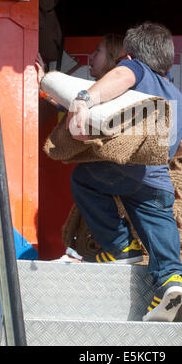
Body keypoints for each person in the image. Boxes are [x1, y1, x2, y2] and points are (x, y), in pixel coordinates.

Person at [67, 22, 182, 322]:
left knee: (84, 179)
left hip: (122, 167)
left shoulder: (135, 70)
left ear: (129, 55)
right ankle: (172, 281)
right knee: (160, 226)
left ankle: (121, 247)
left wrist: (85, 100)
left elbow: (122, 76)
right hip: (158, 181)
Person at [36, 33, 126, 262]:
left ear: (112, 59)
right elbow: (69, 107)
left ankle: (95, 254)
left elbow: (75, 111)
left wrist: (44, 82)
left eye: (98, 52)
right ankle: (81, 255)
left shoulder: (110, 93)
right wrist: (43, 84)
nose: (91, 57)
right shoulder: (96, 91)